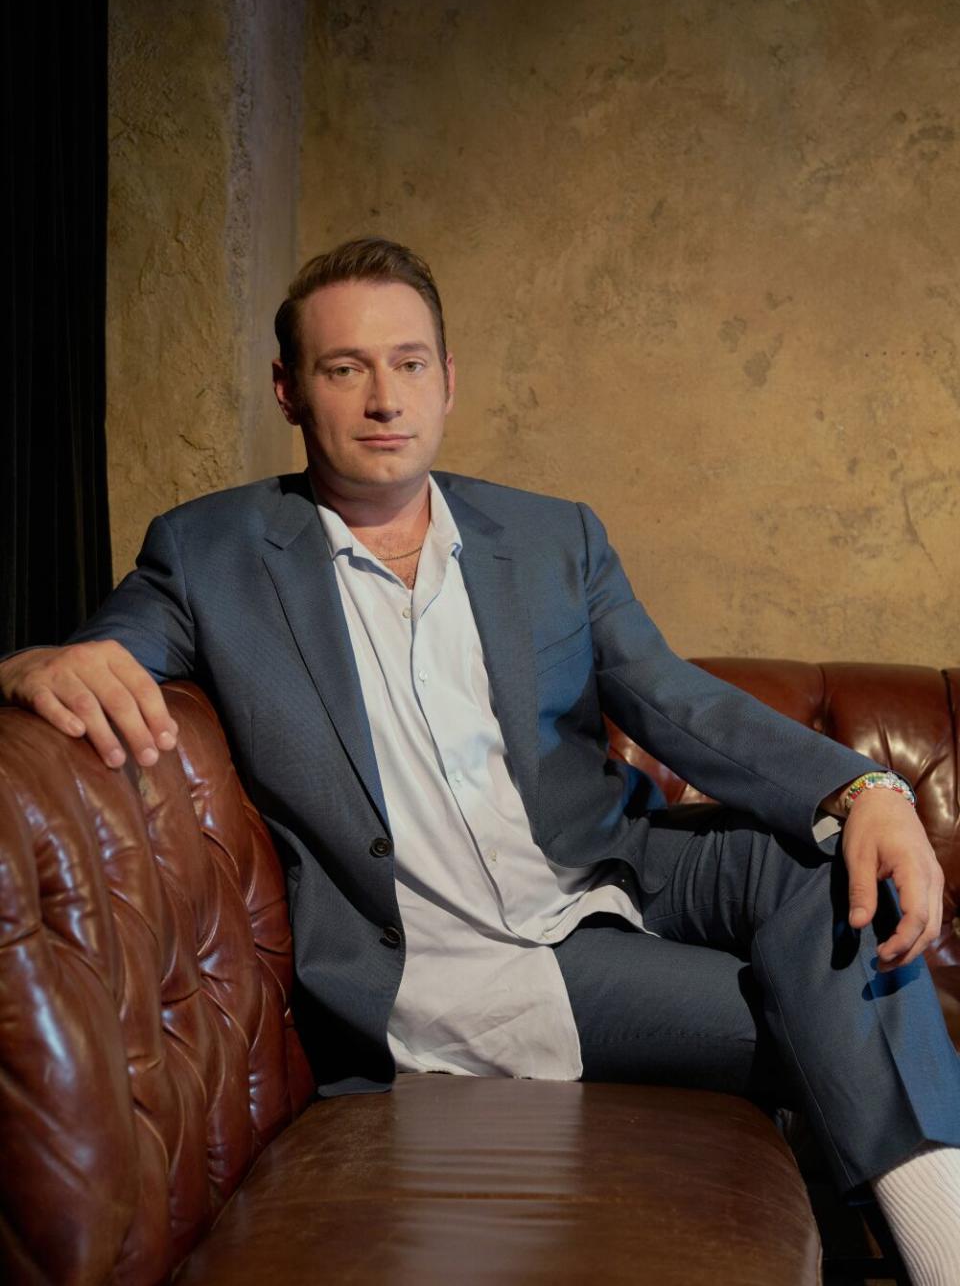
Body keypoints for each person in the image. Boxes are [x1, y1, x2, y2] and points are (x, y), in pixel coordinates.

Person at [2, 238, 958, 1285]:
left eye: (410, 363)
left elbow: (674, 699)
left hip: (610, 868)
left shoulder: (551, 536)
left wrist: (862, 786)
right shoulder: (212, 550)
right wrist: (36, 658)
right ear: (288, 390)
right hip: (465, 957)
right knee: (821, 1001)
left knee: (831, 868)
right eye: (344, 368)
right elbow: (107, 652)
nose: (384, 398)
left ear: (449, 382)